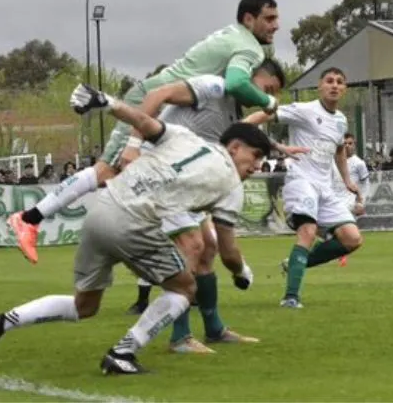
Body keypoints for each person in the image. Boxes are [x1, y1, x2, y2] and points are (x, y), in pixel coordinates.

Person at [0, 83, 272, 374]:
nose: (257, 165)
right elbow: (227, 250)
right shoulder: (232, 185)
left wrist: (107, 102)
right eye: (256, 155)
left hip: (101, 210)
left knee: (84, 306)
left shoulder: (185, 137)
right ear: (235, 147)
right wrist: (241, 272)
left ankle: (1, 322)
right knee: (184, 289)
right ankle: (123, 353)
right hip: (133, 223)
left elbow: (143, 120)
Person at [7, 0, 281, 264]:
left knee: (171, 215)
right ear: (249, 19)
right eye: (269, 19)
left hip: (168, 107)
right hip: (152, 102)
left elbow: (232, 98)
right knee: (105, 171)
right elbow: (236, 82)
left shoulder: (232, 38)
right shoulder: (250, 49)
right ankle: (29, 219)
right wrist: (268, 102)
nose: (276, 26)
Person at [122, 60, 292, 355]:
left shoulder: (232, 112)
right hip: (162, 174)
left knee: (208, 246)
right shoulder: (213, 87)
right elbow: (158, 94)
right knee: (191, 246)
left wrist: (276, 143)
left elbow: (246, 130)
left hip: (189, 182)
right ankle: (179, 337)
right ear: (251, 76)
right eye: (267, 89)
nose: (265, 97)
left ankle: (214, 329)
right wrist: (132, 144)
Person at [243, 67, 363, 308]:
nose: (334, 85)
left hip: (324, 188)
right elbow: (262, 116)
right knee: (308, 232)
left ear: (344, 89)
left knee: (352, 239)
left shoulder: (340, 120)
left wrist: (347, 180)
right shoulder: (304, 110)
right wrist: (242, 127)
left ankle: (295, 263)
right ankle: (290, 298)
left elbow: (339, 150)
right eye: (329, 81)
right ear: (320, 86)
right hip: (301, 182)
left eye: (340, 82)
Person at [331, 132, 371, 266]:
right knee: (335, 231)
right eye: (345, 143)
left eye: (350, 143)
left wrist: (361, 202)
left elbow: (365, 184)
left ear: (354, 145)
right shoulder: (334, 161)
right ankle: (337, 252)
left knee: (345, 231)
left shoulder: (359, 163)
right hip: (333, 199)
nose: (347, 146)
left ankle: (341, 255)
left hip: (349, 201)